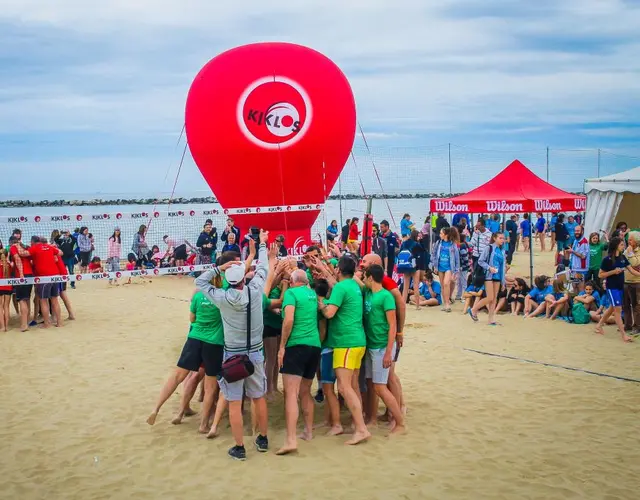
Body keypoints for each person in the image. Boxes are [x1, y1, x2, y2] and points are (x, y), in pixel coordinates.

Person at [195, 232, 272, 460]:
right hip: (256, 353)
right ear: (243, 279)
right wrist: (263, 245)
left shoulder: (221, 297)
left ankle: (239, 447)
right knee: (259, 397)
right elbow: (263, 269)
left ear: (229, 279)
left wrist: (220, 267)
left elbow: (199, 282)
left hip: (233, 356)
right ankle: (263, 438)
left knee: (235, 402)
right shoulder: (256, 290)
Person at [146, 259, 234, 431]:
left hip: (194, 339)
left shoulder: (199, 295)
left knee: (177, 376)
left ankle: (156, 408)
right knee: (210, 386)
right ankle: (203, 424)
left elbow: (192, 319)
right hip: (214, 342)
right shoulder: (222, 296)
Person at [318, 256, 371, 445]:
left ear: (339, 270)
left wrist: (320, 302)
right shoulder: (354, 286)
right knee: (353, 386)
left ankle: (361, 429)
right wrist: (324, 266)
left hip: (345, 342)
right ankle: (359, 424)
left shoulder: (341, 288)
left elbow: (329, 313)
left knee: (343, 387)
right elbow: (334, 281)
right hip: (358, 340)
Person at [275, 269, 322, 455]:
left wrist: (281, 346)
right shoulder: (312, 294)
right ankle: (308, 432)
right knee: (305, 392)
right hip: (314, 345)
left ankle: (291, 439)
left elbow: (289, 320)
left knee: (291, 393)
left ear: (293, 281)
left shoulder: (291, 293)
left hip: (296, 345)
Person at [362, 264, 405, 433]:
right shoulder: (368, 293)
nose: (364, 279)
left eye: (366, 277)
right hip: (372, 345)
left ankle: (400, 422)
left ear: (371, 277)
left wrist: (389, 352)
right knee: (373, 385)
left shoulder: (386, 296)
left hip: (382, 346)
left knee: (380, 386)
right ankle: (373, 418)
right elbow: (356, 281)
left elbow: (392, 325)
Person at [596, 236, 640, 342]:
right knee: (618, 310)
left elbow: (631, 270)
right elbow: (600, 275)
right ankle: (623, 335)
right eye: (621, 244)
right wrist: (613, 272)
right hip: (612, 288)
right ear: (616, 246)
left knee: (612, 308)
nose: (623, 246)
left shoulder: (622, 258)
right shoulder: (607, 260)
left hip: (620, 287)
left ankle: (599, 325)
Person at [14, 237, 64, 328]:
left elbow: (23, 253)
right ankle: (59, 323)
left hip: (44, 277)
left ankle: (47, 324)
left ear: (34, 242)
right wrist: (52, 250)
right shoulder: (49, 247)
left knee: (43, 300)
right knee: (55, 300)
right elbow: (60, 253)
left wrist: (17, 245)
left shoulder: (35, 247)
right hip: (55, 276)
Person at [469, 232, 507, 326]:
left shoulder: (502, 251)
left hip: (497, 276)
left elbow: (502, 267)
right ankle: (474, 309)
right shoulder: (489, 248)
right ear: (494, 238)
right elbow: (480, 261)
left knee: (494, 299)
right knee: (490, 297)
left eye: (503, 238)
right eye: (500, 238)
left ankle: (491, 319)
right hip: (488, 276)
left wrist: (503, 282)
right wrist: (489, 268)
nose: (502, 240)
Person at [431, 227, 460, 312]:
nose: (440, 235)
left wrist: (457, 270)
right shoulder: (439, 243)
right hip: (440, 266)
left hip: (449, 267)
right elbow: (434, 253)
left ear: (446, 235)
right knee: (443, 286)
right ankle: (446, 303)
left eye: (441, 233)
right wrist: (434, 265)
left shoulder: (452, 244)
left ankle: (447, 304)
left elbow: (457, 258)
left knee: (446, 283)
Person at [8, 234, 33, 331]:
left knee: (21, 300)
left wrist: (21, 274)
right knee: (27, 299)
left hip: (22, 275)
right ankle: (26, 322)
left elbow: (18, 260)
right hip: (30, 274)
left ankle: (24, 325)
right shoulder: (24, 248)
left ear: (11, 242)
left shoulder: (14, 247)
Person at [623, 231, 640, 335]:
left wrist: (630, 253)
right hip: (625, 280)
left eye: (630, 239)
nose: (628, 241)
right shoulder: (627, 250)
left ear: (636, 241)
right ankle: (627, 325)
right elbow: (623, 261)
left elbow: (635, 263)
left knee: (636, 305)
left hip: (637, 282)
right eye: (628, 239)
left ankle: (637, 327)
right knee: (625, 305)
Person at [0, 249, 12, 331]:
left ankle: (2, 326)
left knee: (0, 307)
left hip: (0, 287)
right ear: (7, 255)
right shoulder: (10, 265)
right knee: (6, 306)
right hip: (8, 287)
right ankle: (7, 326)